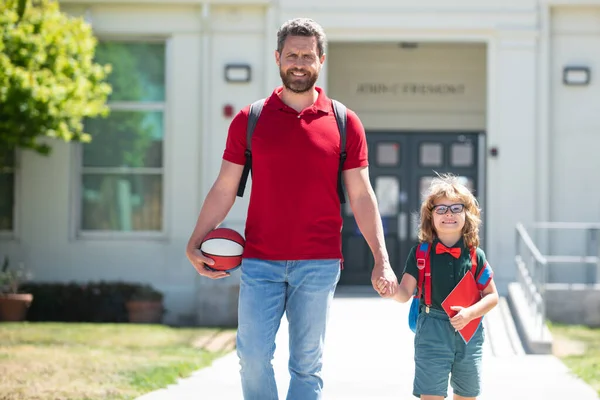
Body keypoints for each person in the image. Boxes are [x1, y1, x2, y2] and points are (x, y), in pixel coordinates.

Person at [186, 17, 398, 400]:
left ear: (321, 60)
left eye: (307, 55)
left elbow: (362, 196)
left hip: (318, 263)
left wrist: (380, 258)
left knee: (306, 365)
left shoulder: (344, 122)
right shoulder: (250, 120)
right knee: (251, 357)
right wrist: (196, 240)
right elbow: (224, 187)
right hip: (260, 260)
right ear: (277, 57)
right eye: (291, 55)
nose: (299, 62)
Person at [377, 174, 498, 400]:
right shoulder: (420, 254)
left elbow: (492, 297)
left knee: (467, 394)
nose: (449, 214)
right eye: (441, 209)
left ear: (467, 214)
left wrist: (470, 313)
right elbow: (404, 293)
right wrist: (390, 290)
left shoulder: (475, 256)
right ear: (430, 216)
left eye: (455, 208)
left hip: (469, 333)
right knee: (431, 394)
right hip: (431, 330)